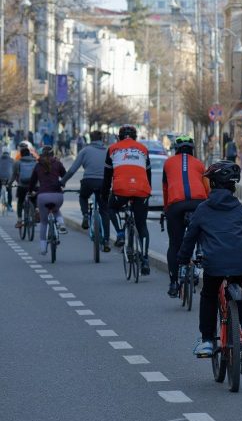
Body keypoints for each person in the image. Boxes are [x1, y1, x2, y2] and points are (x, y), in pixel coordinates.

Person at [177, 161, 242, 357]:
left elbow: (189, 238)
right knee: (240, 288)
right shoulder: (241, 209)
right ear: (233, 187)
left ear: (213, 185)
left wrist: (183, 259)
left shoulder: (203, 209)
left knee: (208, 295)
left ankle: (207, 340)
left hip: (214, 263)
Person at [162, 135, 209, 297]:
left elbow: (165, 189)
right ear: (192, 150)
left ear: (176, 149)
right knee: (201, 232)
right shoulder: (199, 164)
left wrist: (166, 209)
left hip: (176, 204)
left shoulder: (168, 163)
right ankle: (200, 252)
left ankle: (174, 283)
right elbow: (207, 189)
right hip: (198, 203)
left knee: (174, 244)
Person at [102, 124, 152, 275]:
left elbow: (107, 177)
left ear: (119, 136)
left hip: (121, 189)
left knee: (111, 207)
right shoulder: (143, 149)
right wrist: (147, 192)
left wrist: (104, 196)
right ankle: (144, 259)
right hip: (141, 189)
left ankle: (120, 234)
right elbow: (148, 174)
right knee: (142, 226)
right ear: (135, 137)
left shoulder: (112, 149)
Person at [61, 130, 111, 252]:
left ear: (90, 139)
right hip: (103, 183)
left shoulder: (85, 151)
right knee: (104, 211)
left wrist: (63, 181)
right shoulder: (108, 152)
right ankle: (106, 241)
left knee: (83, 196)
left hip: (88, 181)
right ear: (102, 139)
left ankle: (85, 215)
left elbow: (73, 169)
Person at [28, 146, 67, 254]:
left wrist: (30, 191)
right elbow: (65, 176)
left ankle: (43, 247)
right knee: (56, 209)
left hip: (42, 196)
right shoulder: (58, 163)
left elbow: (32, 182)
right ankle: (61, 223)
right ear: (53, 154)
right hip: (58, 195)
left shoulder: (38, 166)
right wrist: (61, 184)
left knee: (44, 222)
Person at [8, 146, 37, 227]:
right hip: (34, 186)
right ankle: (34, 215)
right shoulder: (35, 162)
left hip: (22, 186)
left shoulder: (17, 163)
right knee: (34, 200)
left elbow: (13, 176)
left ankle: (20, 221)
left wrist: (9, 184)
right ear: (29, 153)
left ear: (21, 154)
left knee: (20, 202)